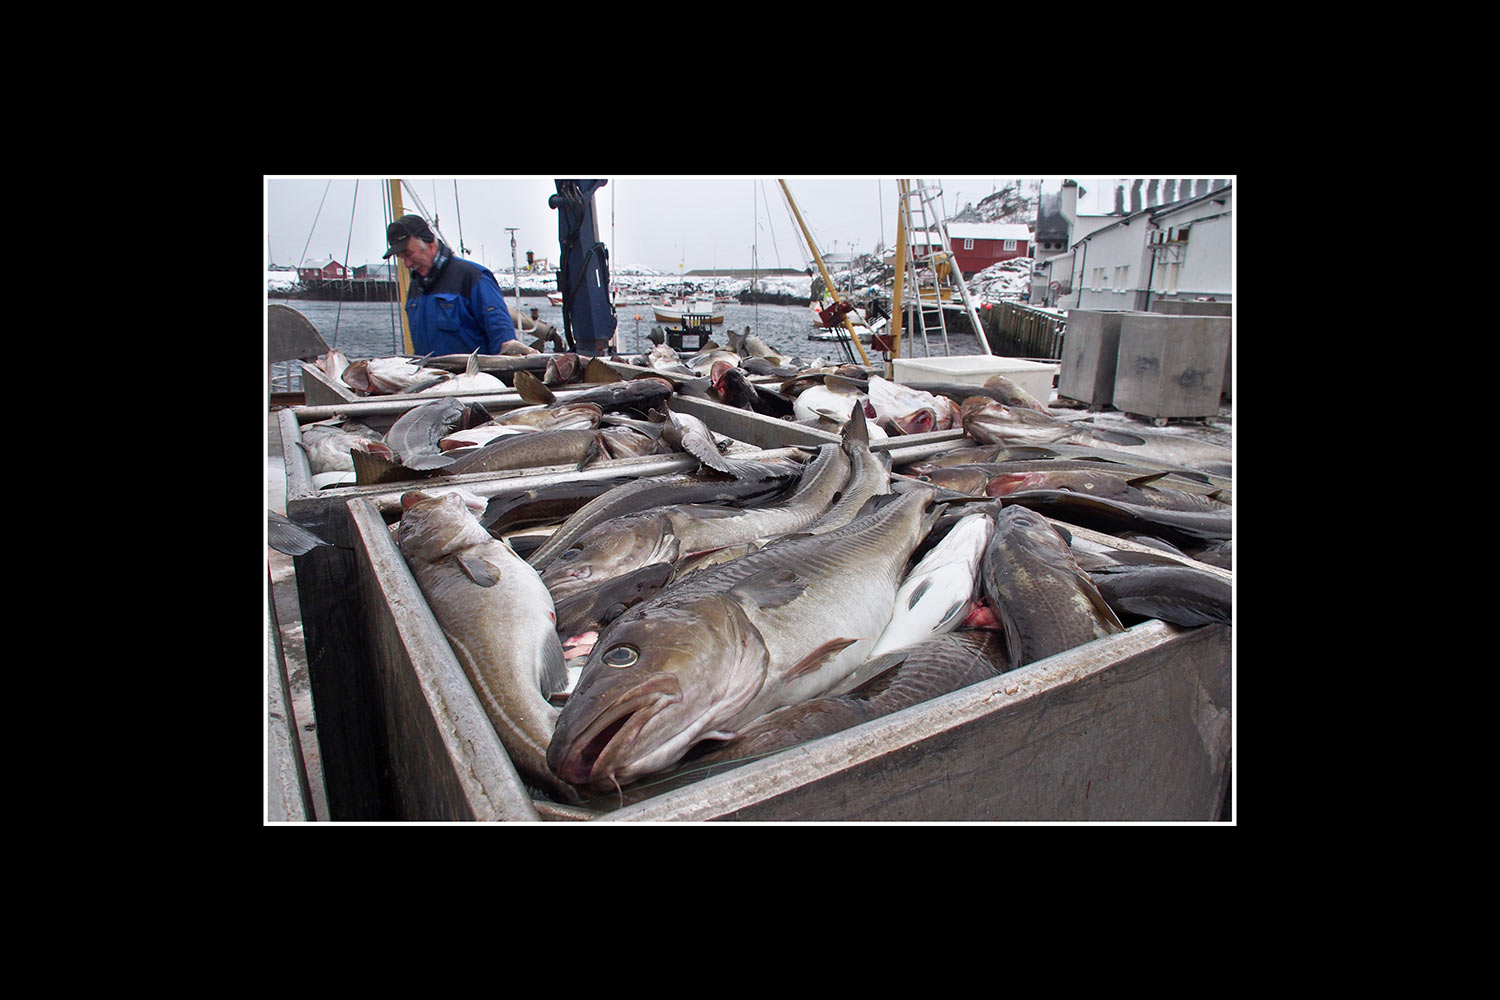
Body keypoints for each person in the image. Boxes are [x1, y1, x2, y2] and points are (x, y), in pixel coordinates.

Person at [382, 214, 515, 355]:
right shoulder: (416, 286)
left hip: (473, 376)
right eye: (401, 258)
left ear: (430, 243)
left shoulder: (473, 277)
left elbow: (504, 344)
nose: (407, 264)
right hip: (431, 376)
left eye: (408, 254)